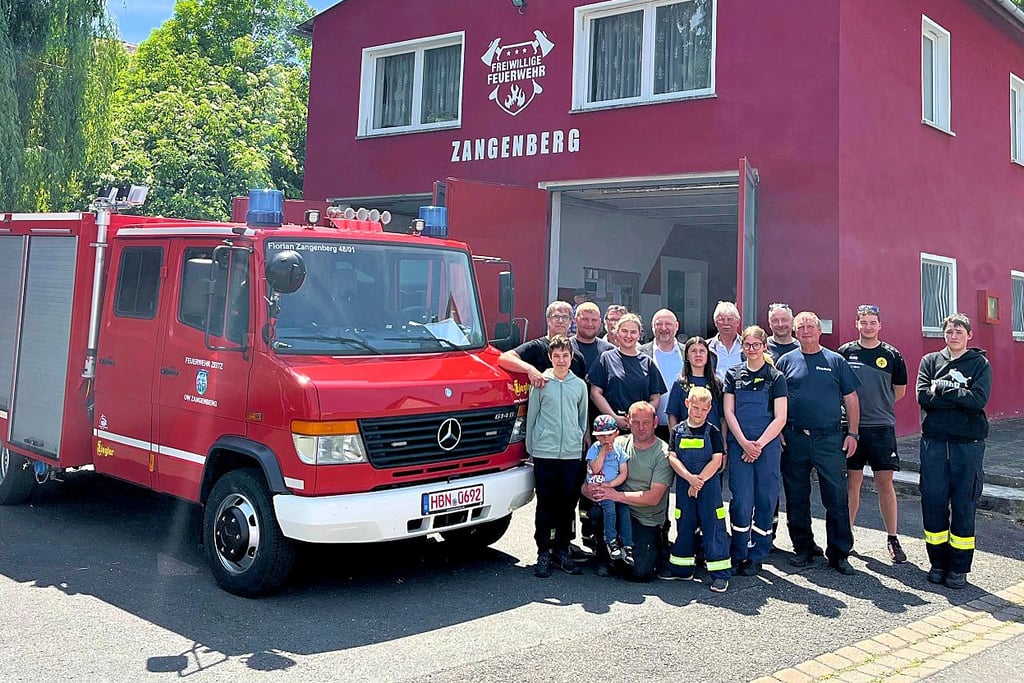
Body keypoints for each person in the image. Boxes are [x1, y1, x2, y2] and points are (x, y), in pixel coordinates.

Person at [775, 311, 861, 575]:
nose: (806, 331)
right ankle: (804, 548)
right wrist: (778, 430)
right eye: (801, 327)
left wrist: (853, 433)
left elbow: (852, 399)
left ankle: (839, 553)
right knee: (797, 497)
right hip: (794, 438)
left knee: (835, 498)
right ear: (795, 332)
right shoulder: (785, 361)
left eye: (810, 326)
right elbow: (776, 398)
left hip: (829, 439)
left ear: (819, 330)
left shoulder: (835, 361)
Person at [917, 313, 991, 590]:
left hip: (967, 446)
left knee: (963, 504)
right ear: (944, 335)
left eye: (959, 331)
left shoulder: (980, 364)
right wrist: (958, 396)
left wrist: (944, 390)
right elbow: (923, 396)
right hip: (934, 444)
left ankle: (959, 568)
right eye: (949, 331)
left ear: (969, 335)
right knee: (933, 503)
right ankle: (937, 563)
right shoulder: (930, 361)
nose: (954, 336)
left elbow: (978, 400)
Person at [838, 304, 909, 564]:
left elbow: (898, 392)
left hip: (881, 428)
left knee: (884, 484)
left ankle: (892, 538)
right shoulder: (845, 352)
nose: (868, 326)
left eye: (872, 322)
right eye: (863, 322)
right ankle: (847, 535)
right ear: (856, 324)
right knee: (852, 483)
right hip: (852, 429)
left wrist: (879, 407)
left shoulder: (892, 355)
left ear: (880, 325)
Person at [723, 326, 788, 576]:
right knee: (741, 501)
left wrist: (758, 445)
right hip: (740, 447)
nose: (751, 349)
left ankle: (757, 554)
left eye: (756, 345)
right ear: (743, 348)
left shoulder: (775, 377)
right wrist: (744, 443)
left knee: (764, 499)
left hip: (767, 448)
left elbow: (780, 417)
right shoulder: (733, 374)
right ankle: (738, 552)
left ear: (764, 347)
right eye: (747, 345)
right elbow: (729, 411)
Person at [582, 401, 673, 582]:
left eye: (646, 422)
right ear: (627, 422)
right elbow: (586, 481)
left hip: (645, 518)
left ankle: (653, 544)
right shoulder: (616, 444)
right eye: (636, 422)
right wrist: (589, 490)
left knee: (640, 573)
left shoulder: (663, 453)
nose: (641, 428)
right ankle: (604, 554)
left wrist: (614, 495)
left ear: (655, 422)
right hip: (617, 510)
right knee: (596, 511)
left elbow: (653, 498)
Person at [525, 335, 589, 578]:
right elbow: (533, 415)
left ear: (571, 357)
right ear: (550, 358)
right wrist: (532, 446)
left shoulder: (579, 385)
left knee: (567, 504)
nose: (561, 360)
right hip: (545, 451)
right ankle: (544, 550)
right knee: (546, 504)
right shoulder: (542, 384)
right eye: (556, 356)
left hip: (571, 453)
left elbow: (581, 418)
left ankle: (563, 549)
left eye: (565, 355)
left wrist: (578, 440)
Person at [662, 386, 731, 592]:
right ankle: (682, 570)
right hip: (685, 486)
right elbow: (673, 457)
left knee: (713, 528)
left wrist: (699, 481)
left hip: (708, 488)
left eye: (703, 409)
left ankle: (720, 574)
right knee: (684, 525)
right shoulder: (677, 431)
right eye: (695, 407)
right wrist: (690, 479)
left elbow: (717, 459)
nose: (698, 412)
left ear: (709, 409)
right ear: (687, 405)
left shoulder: (713, 431)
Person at [589, 314, 667, 432]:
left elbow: (655, 397)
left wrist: (640, 418)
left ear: (639, 335)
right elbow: (595, 393)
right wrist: (614, 418)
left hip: (641, 430)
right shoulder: (605, 358)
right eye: (624, 331)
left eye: (633, 332)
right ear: (617, 333)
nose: (628, 336)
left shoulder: (647, 362)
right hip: (611, 430)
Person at [498, 300, 586, 388]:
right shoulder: (536, 347)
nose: (560, 321)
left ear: (570, 322)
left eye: (565, 317)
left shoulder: (578, 357)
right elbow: (504, 358)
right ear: (548, 320)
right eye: (556, 316)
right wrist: (530, 370)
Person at [585, 415, 633, 565]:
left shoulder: (619, 450)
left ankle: (627, 544)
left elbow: (624, 473)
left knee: (624, 509)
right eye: (602, 436)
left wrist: (612, 485)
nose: (606, 439)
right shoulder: (595, 449)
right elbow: (595, 468)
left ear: (616, 434)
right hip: (599, 488)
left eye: (609, 435)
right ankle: (611, 540)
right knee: (610, 509)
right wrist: (603, 453)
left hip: (613, 486)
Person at [639, 309, 686, 442]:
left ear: (676, 326)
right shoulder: (641, 354)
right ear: (652, 327)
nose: (664, 328)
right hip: (650, 429)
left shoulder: (688, 353)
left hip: (684, 427)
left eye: (668, 324)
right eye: (659, 324)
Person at [666, 336, 723, 433]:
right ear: (687, 356)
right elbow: (672, 415)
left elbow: (722, 417)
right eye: (693, 351)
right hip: (687, 439)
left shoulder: (716, 383)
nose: (698, 355)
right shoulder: (680, 383)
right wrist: (674, 440)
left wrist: (723, 442)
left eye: (702, 351)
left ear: (707, 355)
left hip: (712, 439)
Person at [709, 301, 743, 381]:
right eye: (721, 319)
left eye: (730, 319)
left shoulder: (746, 346)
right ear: (715, 323)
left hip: (740, 392)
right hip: (715, 392)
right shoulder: (707, 347)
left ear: (738, 322)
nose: (726, 323)